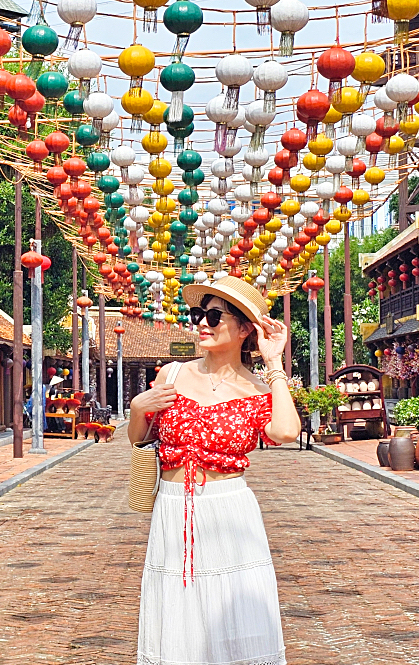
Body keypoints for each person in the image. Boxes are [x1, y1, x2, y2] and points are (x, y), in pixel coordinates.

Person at [127, 275, 301, 665]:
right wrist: (139, 409)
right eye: (197, 314)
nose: (201, 324)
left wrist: (274, 362)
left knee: (230, 609)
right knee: (178, 606)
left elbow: (287, 431)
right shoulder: (172, 374)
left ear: (244, 330)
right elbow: (140, 438)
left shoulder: (258, 391)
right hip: (172, 506)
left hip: (229, 507)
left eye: (213, 316)